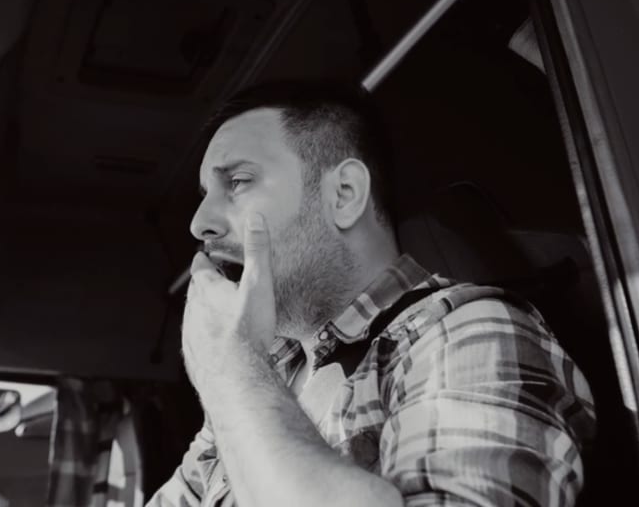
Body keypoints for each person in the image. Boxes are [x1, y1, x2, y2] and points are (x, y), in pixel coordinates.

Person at [147, 81, 595, 506]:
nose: (199, 223)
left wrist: (230, 367)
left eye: (238, 182)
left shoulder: (469, 333)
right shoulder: (270, 373)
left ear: (344, 194)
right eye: (207, 193)